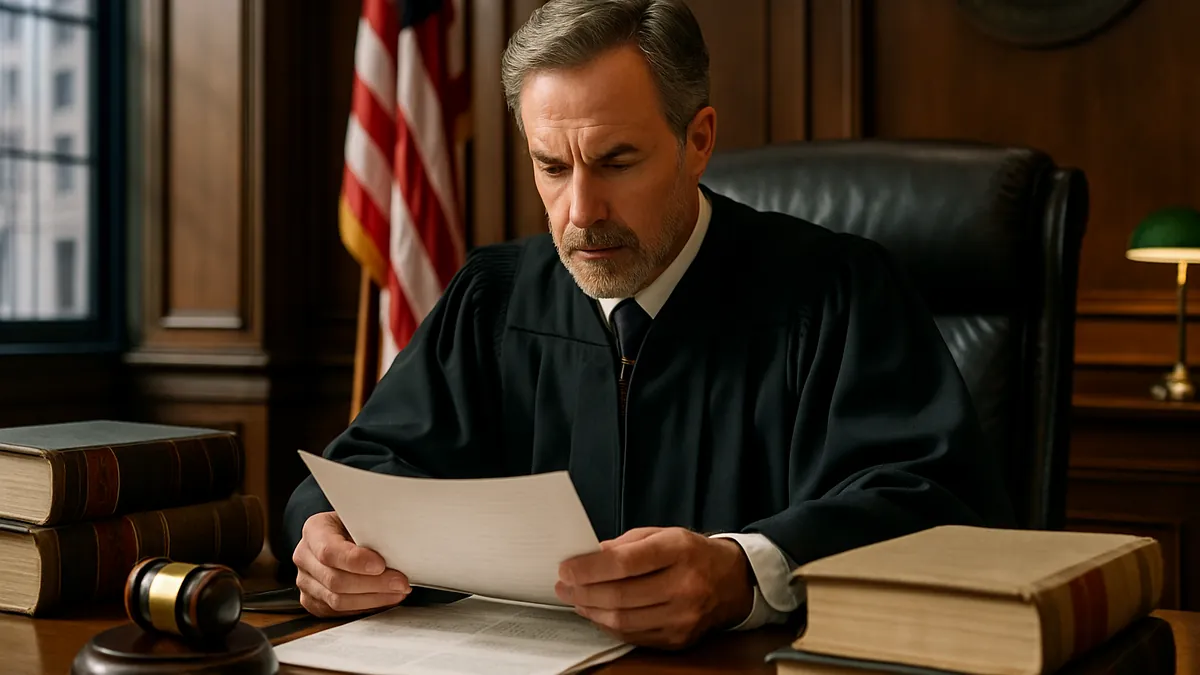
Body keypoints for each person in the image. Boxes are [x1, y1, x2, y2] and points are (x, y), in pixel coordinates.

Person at [282, 0, 1014, 649]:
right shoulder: (494, 299)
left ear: (698, 139)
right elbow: (366, 465)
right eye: (552, 166)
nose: (580, 212)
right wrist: (325, 537)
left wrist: (745, 571)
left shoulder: (836, 295)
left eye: (616, 161)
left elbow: (934, 503)